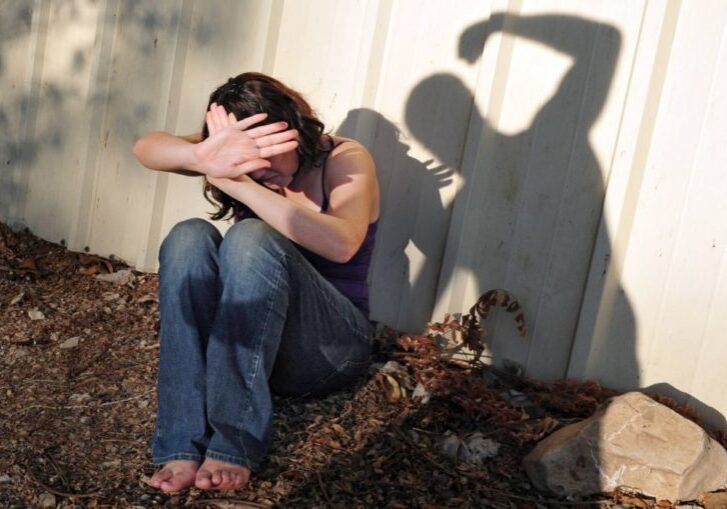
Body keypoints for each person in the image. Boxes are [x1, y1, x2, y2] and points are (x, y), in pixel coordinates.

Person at [132, 72, 380, 493]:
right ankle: (181, 443)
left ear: (295, 133)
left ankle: (233, 444)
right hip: (255, 355)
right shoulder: (229, 152)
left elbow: (342, 245)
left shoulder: (344, 158)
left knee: (251, 236)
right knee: (187, 236)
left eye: (269, 153)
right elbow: (145, 147)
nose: (258, 167)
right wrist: (204, 159)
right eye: (248, 156)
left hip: (329, 351)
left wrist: (239, 184)